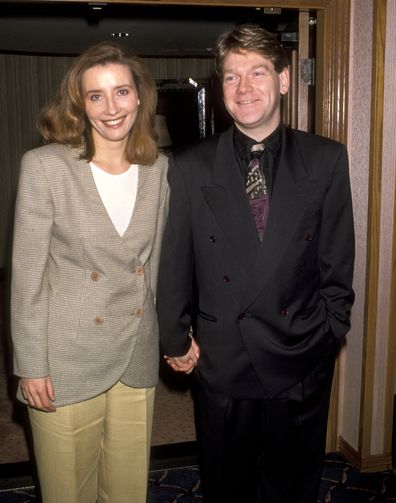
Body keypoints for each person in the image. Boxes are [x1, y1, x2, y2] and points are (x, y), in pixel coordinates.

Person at [157, 24, 354, 503]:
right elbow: (174, 264)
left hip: (300, 354)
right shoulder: (189, 165)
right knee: (228, 486)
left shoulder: (326, 159)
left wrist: (329, 331)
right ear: (218, 86)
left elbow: (337, 261)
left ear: (284, 80)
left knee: (293, 485)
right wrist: (175, 336)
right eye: (230, 76)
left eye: (257, 72)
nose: (243, 88)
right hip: (223, 360)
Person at [11, 41, 168, 503]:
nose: (111, 107)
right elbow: (26, 278)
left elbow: (153, 267)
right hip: (66, 357)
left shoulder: (159, 169)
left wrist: (166, 335)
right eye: (96, 96)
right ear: (80, 103)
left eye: (121, 92)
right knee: (67, 491)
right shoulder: (45, 167)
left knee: (126, 490)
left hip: (135, 353)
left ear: (140, 97)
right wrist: (31, 365)